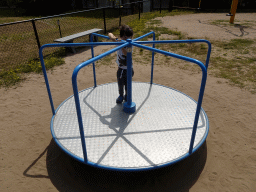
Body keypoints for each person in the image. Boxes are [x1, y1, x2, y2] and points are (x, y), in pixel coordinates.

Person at [108, 25, 134, 104]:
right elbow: (109, 34)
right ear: (121, 36)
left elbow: (127, 53)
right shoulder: (119, 42)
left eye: (130, 37)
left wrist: (122, 46)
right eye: (125, 37)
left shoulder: (130, 44)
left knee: (127, 84)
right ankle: (121, 95)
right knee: (120, 84)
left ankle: (126, 95)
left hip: (129, 69)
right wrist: (114, 38)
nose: (128, 39)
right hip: (121, 69)